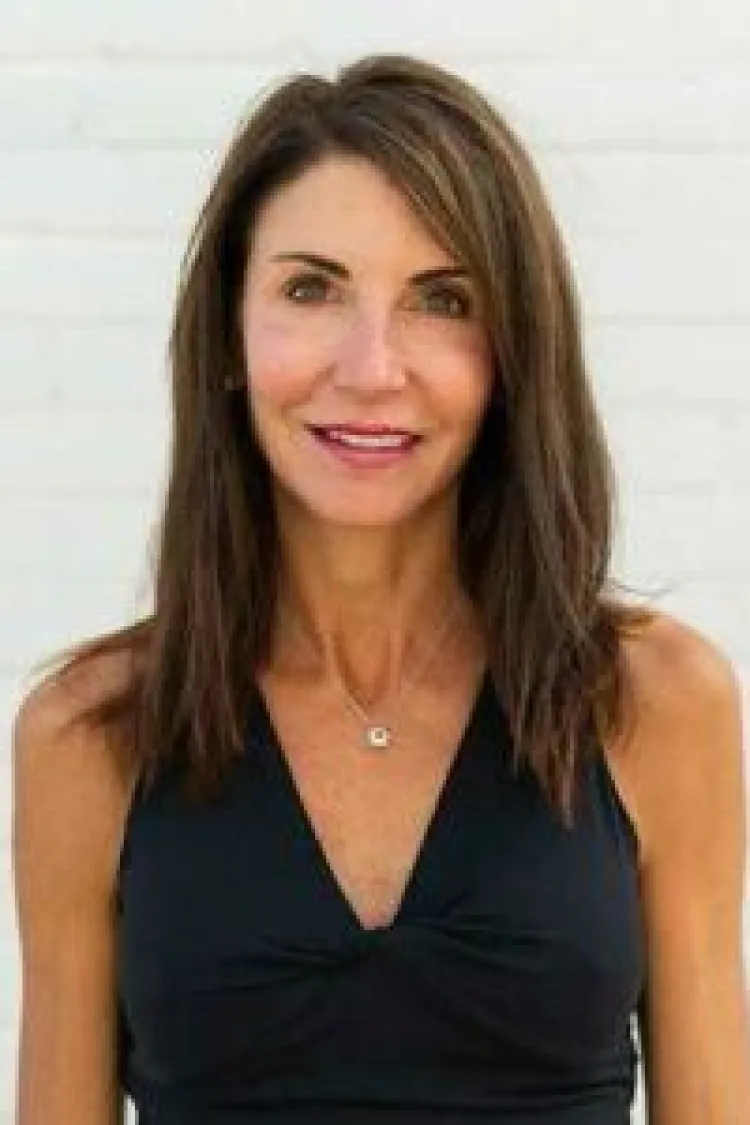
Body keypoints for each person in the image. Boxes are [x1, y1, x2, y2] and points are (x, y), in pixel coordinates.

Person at [11, 53, 750, 1124]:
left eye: (441, 300)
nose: (371, 366)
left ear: (510, 356)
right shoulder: (90, 734)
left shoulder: (655, 701)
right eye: (311, 288)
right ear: (227, 331)